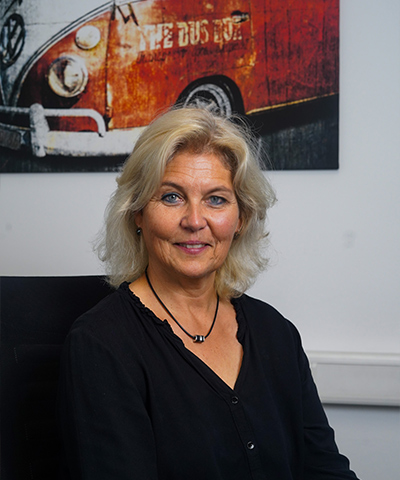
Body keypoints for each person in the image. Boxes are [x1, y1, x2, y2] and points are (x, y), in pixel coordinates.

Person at [57, 107, 359, 480]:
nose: (195, 221)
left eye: (216, 199)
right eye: (171, 197)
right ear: (137, 212)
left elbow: (324, 468)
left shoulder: (276, 332)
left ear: (241, 218)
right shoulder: (101, 344)